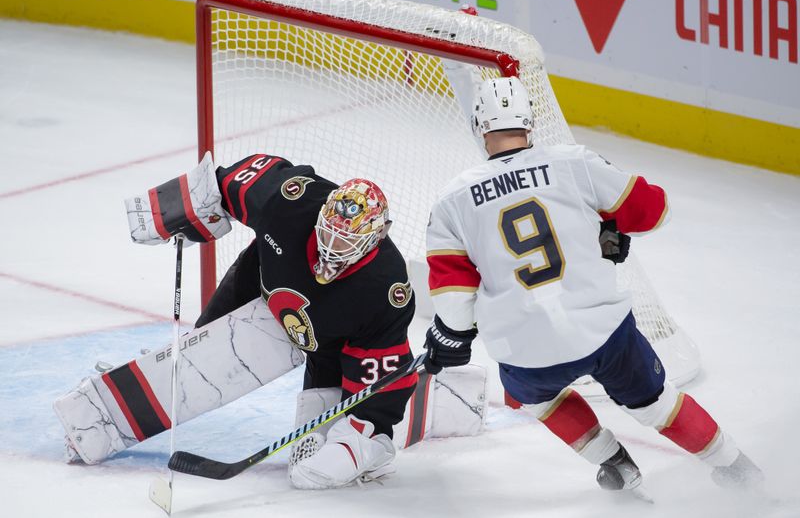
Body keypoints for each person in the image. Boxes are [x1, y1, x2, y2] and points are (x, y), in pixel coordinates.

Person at [423, 76, 763, 493]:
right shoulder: (573, 162)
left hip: (525, 348)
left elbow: (455, 305)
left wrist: (450, 336)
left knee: (537, 398)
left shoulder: (451, 200)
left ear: (479, 127)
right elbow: (656, 211)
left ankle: (614, 463)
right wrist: (603, 221)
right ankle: (737, 469)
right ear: (530, 122)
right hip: (605, 332)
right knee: (658, 406)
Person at [182, 154, 418, 489]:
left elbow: (381, 369)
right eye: (328, 233)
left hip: (330, 356)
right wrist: (185, 203)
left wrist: (361, 430)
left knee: (307, 472)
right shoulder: (291, 202)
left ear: (377, 238)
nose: (332, 248)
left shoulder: (384, 286)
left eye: (347, 241)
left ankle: (375, 449)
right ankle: (198, 338)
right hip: (261, 283)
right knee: (204, 342)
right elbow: (231, 183)